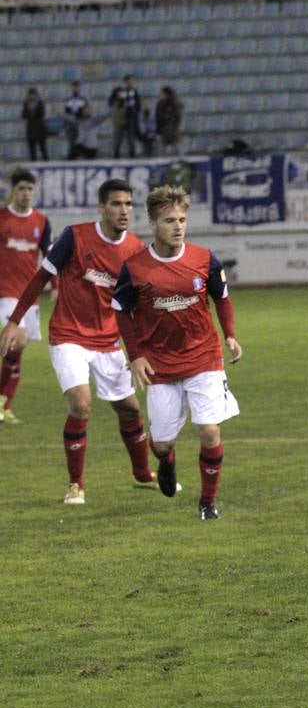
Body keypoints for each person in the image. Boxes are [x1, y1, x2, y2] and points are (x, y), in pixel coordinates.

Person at [0, 179, 155, 505]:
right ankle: (76, 485)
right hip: (68, 335)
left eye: (128, 204)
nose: (124, 210)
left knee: (129, 409)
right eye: (116, 204)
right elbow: (40, 278)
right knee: (81, 404)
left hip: (108, 341)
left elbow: (138, 306)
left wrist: (140, 350)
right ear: (101, 208)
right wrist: (14, 320)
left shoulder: (136, 250)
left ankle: (142, 474)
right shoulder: (75, 236)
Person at [112, 185, 242, 521]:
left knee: (210, 431)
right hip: (160, 365)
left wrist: (229, 335)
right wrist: (135, 355)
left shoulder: (204, 259)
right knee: (161, 444)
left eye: (182, 220)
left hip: (204, 358)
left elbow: (222, 298)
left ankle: (207, 503)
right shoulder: (135, 268)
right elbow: (120, 311)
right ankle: (166, 462)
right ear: (153, 224)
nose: (178, 226)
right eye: (170, 221)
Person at [0, 168, 51, 424]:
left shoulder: (41, 221)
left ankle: (4, 405)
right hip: (5, 292)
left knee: (18, 350)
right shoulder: (2, 218)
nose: (26, 193)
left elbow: (50, 255)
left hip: (29, 295)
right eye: (21, 188)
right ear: (13, 191)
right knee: (17, 341)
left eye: (30, 189)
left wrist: (56, 284)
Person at [109, 75, 141, 159]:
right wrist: (115, 95)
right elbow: (111, 101)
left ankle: (132, 153)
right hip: (121, 116)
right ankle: (116, 153)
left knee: (131, 136)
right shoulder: (119, 90)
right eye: (127, 82)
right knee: (118, 136)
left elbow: (138, 104)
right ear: (124, 82)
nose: (129, 83)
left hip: (131, 116)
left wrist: (135, 112)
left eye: (130, 82)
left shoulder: (134, 91)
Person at [62, 81, 88, 161]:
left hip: (79, 121)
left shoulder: (82, 99)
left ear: (79, 88)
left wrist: (81, 118)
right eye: (74, 87)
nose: (75, 89)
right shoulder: (69, 100)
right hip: (71, 121)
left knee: (79, 139)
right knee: (71, 138)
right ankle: (71, 154)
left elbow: (85, 111)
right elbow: (66, 111)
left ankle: (79, 154)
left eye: (77, 87)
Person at [21, 88, 49, 162]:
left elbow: (42, 113)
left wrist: (33, 110)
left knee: (43, 150)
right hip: (31, 131)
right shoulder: (26, 104)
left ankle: (47, 165)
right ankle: (33, 165)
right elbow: (23, 115)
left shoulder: (40, 103)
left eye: (33, 94)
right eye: (31, 94)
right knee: (32, 152)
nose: (32, 96)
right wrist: (29, 110)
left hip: (40, 130)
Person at [155, 87, 183, 155]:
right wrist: (158, 131)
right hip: (163, 129)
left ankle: (180, 158)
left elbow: (178, 116)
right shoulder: (160, 104)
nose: (160, 95)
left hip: (173, 129)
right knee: (163, 147)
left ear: (166, 94)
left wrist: (173, 123)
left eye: (162, 93)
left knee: (176, 146)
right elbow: (158, 117)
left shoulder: (175, 103)